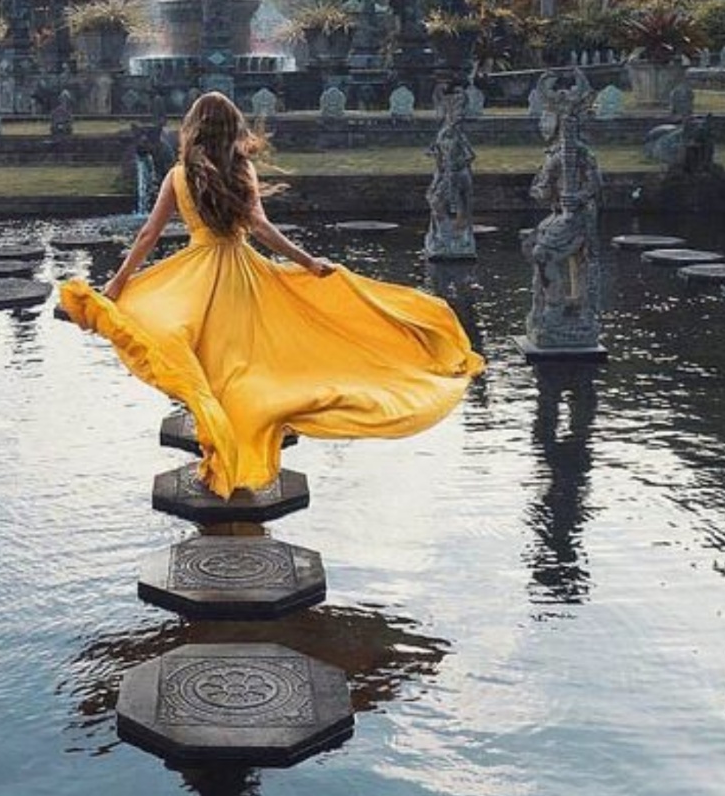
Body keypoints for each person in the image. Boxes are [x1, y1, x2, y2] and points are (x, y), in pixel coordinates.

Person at [59, 91, 485, 496]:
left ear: (193, 129)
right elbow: (260, 229)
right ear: (232, 129)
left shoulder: (177, 175)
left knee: (200, 357)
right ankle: (233, 435)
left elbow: (150, 234)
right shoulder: (241, 169)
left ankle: (217, 442)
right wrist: (308, 263)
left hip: (194, 277)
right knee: (243, 362)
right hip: (240, 273)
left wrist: (117, 283)